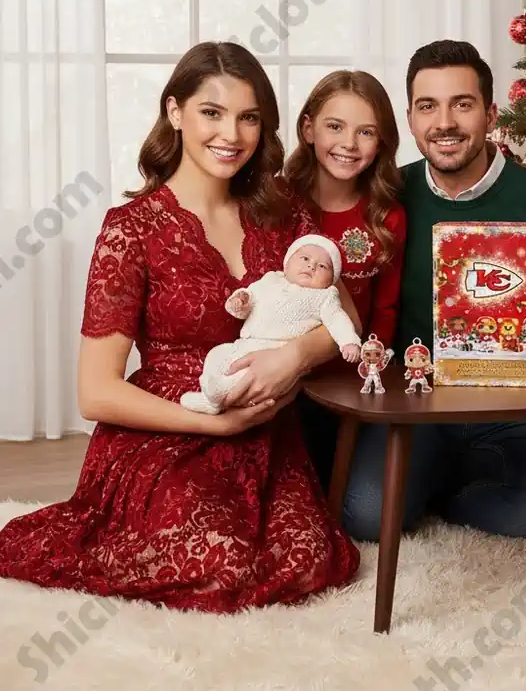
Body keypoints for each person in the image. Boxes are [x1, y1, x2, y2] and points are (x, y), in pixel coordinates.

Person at [0, 42, 360, 611]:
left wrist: (294, 358)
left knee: (307, 560)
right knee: (214, 563)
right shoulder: (131, 229)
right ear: (175, 113)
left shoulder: (281, 210)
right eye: (211, 113)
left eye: (248, 117)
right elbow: (95, 393)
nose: (232, 135)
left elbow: (346, 317)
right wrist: (214, 427)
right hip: (165, 430)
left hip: (267, 430)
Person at [341, 39, 526, 541]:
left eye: (461, 105)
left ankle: (446, 494)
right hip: (412, 409)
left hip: (514, 414)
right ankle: (424, 481)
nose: (445, 123)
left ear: (490, 115)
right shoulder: (385, 200)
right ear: (411, 118)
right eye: (428, 107)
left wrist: (525, 355)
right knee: (366, 513)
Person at [285, 70, 406, 483]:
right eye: (334, 126)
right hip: (285, 382)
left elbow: (386, 306)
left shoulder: (387, 216)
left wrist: (371, 370)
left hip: (352, 382)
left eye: (366, 132)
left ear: (383, 141)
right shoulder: (279, 204)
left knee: (356, 500)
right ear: (308, 129)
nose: (348, 144)